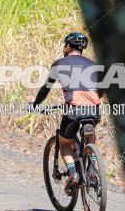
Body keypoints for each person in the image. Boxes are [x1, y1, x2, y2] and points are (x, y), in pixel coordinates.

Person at [31, 31, 102, 192]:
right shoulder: (93, 65)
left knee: (64, 142)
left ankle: (73, 174)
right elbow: (102, 89)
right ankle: (92, 168)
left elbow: (45, 89)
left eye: (65, 45)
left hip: (74, 110)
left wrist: (36, 104)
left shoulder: (59, 63)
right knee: (90, 137)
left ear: (68, 46)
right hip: (95, 109)